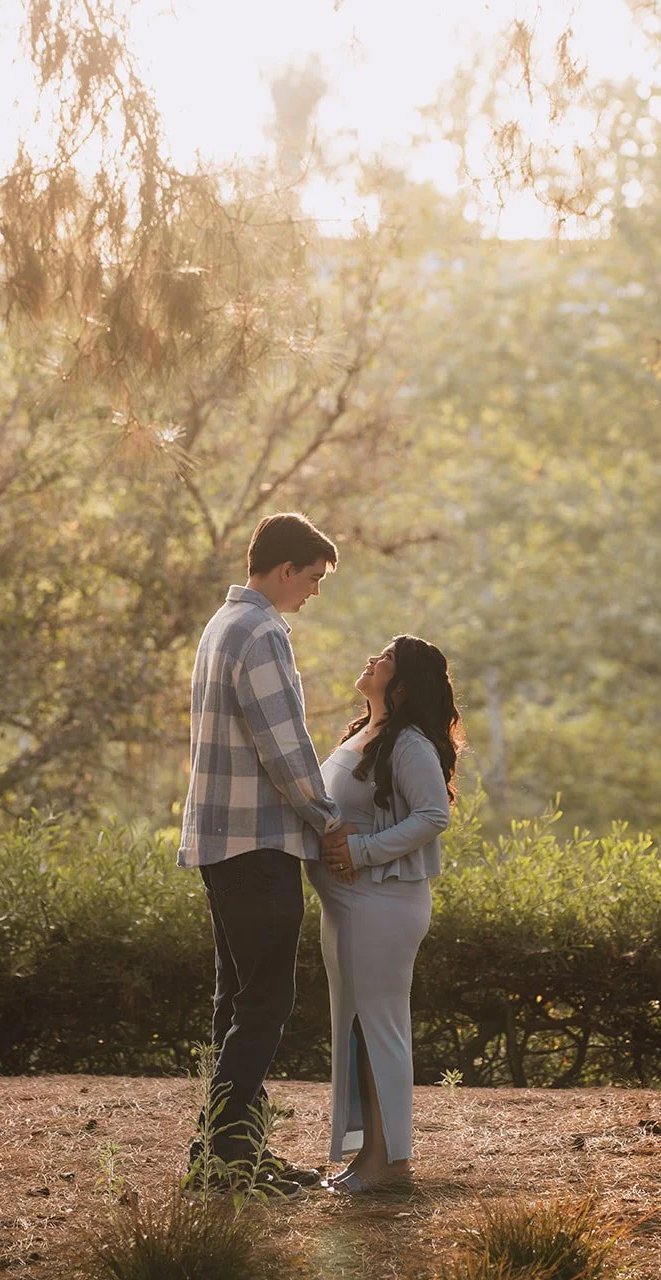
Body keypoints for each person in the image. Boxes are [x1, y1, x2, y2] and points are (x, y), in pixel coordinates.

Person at [178, 512, 343, 1198]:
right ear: (284, 570)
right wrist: (326, 818)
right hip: (257, 843)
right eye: (311, 579)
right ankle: (219, 1160)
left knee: (237, 1004)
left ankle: (234, 1155)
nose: (311, 593)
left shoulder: (222, 625)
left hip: (222, 845)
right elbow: (284, 744)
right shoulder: (262, 631)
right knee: (266, 1004)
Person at [310, 635, 461, 1193]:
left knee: (380, 1029)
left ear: (402, 683)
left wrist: (361, 851)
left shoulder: (410, 743)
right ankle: (365, 1153)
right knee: (355, 1028)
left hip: (382, 903)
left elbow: (431, 815)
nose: (371, 660)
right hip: (346, 904)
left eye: (386, 659)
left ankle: (390, 1164)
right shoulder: (362, 734)